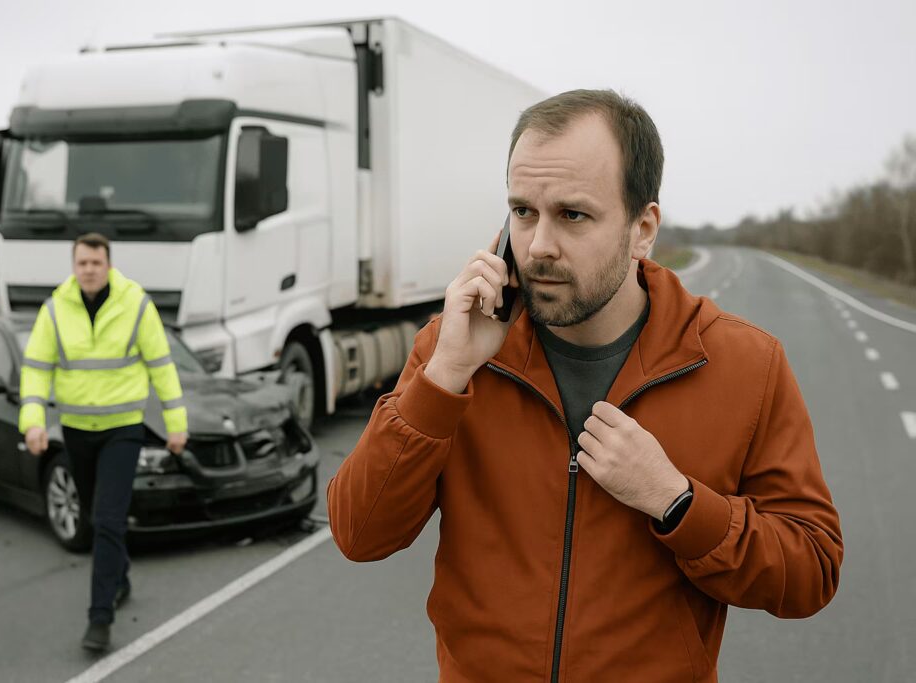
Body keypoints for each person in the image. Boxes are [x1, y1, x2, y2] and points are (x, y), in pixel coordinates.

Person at [327, 90, 843, 682]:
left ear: (642, 229)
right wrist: (444, 376)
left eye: (572, 215)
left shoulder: (745, 364)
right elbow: (359, 534)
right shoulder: (453, 351)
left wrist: (676, 501)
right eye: (523, 212)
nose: (538, 245)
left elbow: (812, 571)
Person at [19, 232, 188, 652]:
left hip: (122, 429)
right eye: (82, 263)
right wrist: (33, 422)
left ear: (108, 265)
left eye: (96, 263)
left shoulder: (137, 305)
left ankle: (100, 618)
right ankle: (120, 576)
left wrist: (176, 424)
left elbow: (162, 366)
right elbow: (36, 368)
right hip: (76, 430)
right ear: (73, 266)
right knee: (97, 517)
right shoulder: (55, 309)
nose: (89, 270)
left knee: (109, 519)